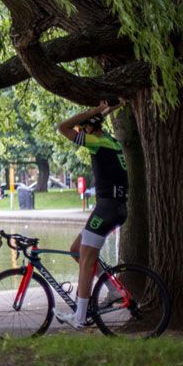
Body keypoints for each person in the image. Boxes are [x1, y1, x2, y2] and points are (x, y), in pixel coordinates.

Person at [55, 99, 127, 329]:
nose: (78, 131)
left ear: (88, 128)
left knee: (86, 262)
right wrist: (108, 109)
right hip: (116, 207)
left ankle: (80, 318)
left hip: (106, 208)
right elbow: (92, 122)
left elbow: (62, 127)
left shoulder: (95, 142)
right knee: (76, 251)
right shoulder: (111, 141)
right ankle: (114, 291)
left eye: (82, 127)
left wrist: (95, 110)